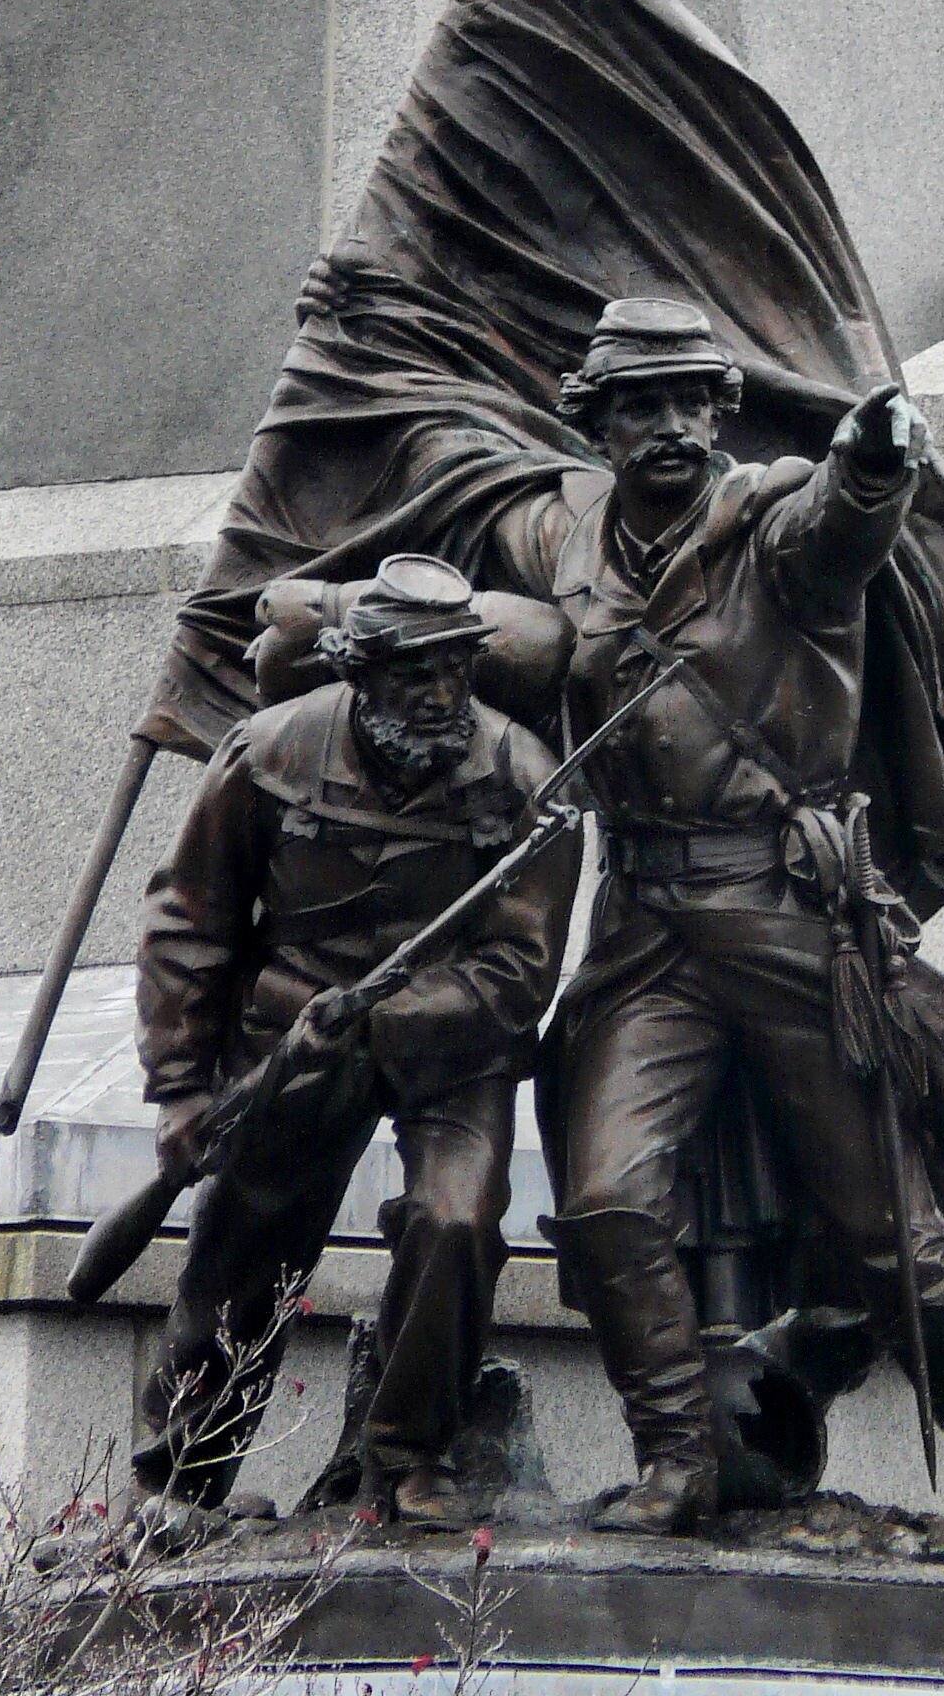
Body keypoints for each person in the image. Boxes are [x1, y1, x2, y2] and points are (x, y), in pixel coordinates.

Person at [483, 295, 944, 1570]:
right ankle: (673, 1461)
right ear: (599, 417)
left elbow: (848, 521)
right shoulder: (562, 536)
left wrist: (879, 457)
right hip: (645, 932)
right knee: (607, 1200)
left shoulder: (775, 522)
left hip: (793, 931)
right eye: (640, 404)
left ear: (722, 411)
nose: (669, 425)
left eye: (689, 401)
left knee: (901, 1247)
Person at [134, 557, 572, 1524]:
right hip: (290, 1037)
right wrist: (179, 1085)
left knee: (456, 1220)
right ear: (358, 671)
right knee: (244, 1243)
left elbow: (521, 972)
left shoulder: (523, 774)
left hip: (455, 1047)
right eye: (416, 673)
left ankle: (406, 1460)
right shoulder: (269, 750)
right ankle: (180, 1482)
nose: (441, 696)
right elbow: (188, 921)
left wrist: (386, 1017)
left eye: (457, 670)